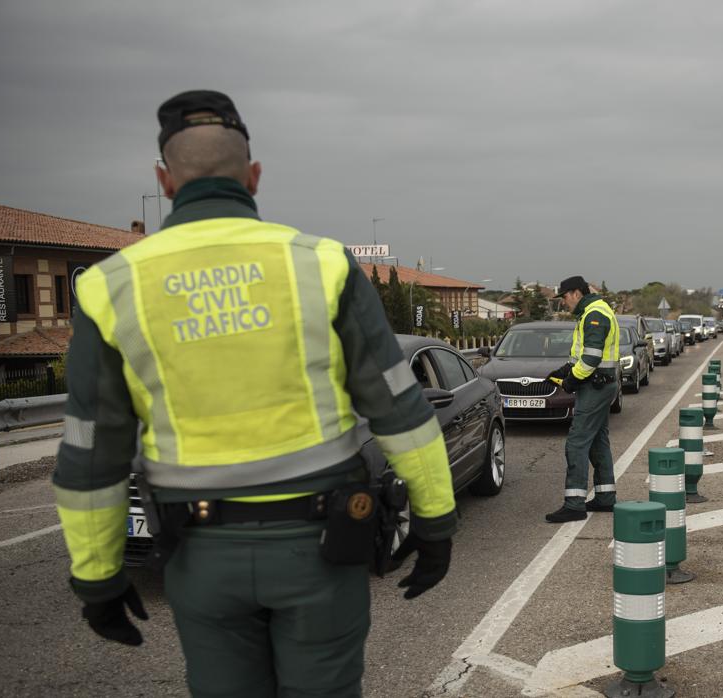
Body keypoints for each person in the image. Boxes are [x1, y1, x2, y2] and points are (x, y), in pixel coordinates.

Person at [51, 90, 457, 696]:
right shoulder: (321, 265)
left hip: (201, 555)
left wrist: (98, 576)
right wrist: (435, 521)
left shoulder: (113, 285)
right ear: (254, 175)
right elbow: (399, 408)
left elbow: (92, 449)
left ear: (164, 181)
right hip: (320, 549)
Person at [544, 276, 621, 523]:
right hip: (601, 384)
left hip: (595, 385)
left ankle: (574, 504)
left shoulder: (594, 314)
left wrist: (571, 381)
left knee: (576, 443)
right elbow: (582, 355)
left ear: (576, 293)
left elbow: (591, 359)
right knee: (598, 441)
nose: (564, 303)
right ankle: (605, 498)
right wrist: (566, 369)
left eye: (564, 297)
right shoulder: (593, 310)